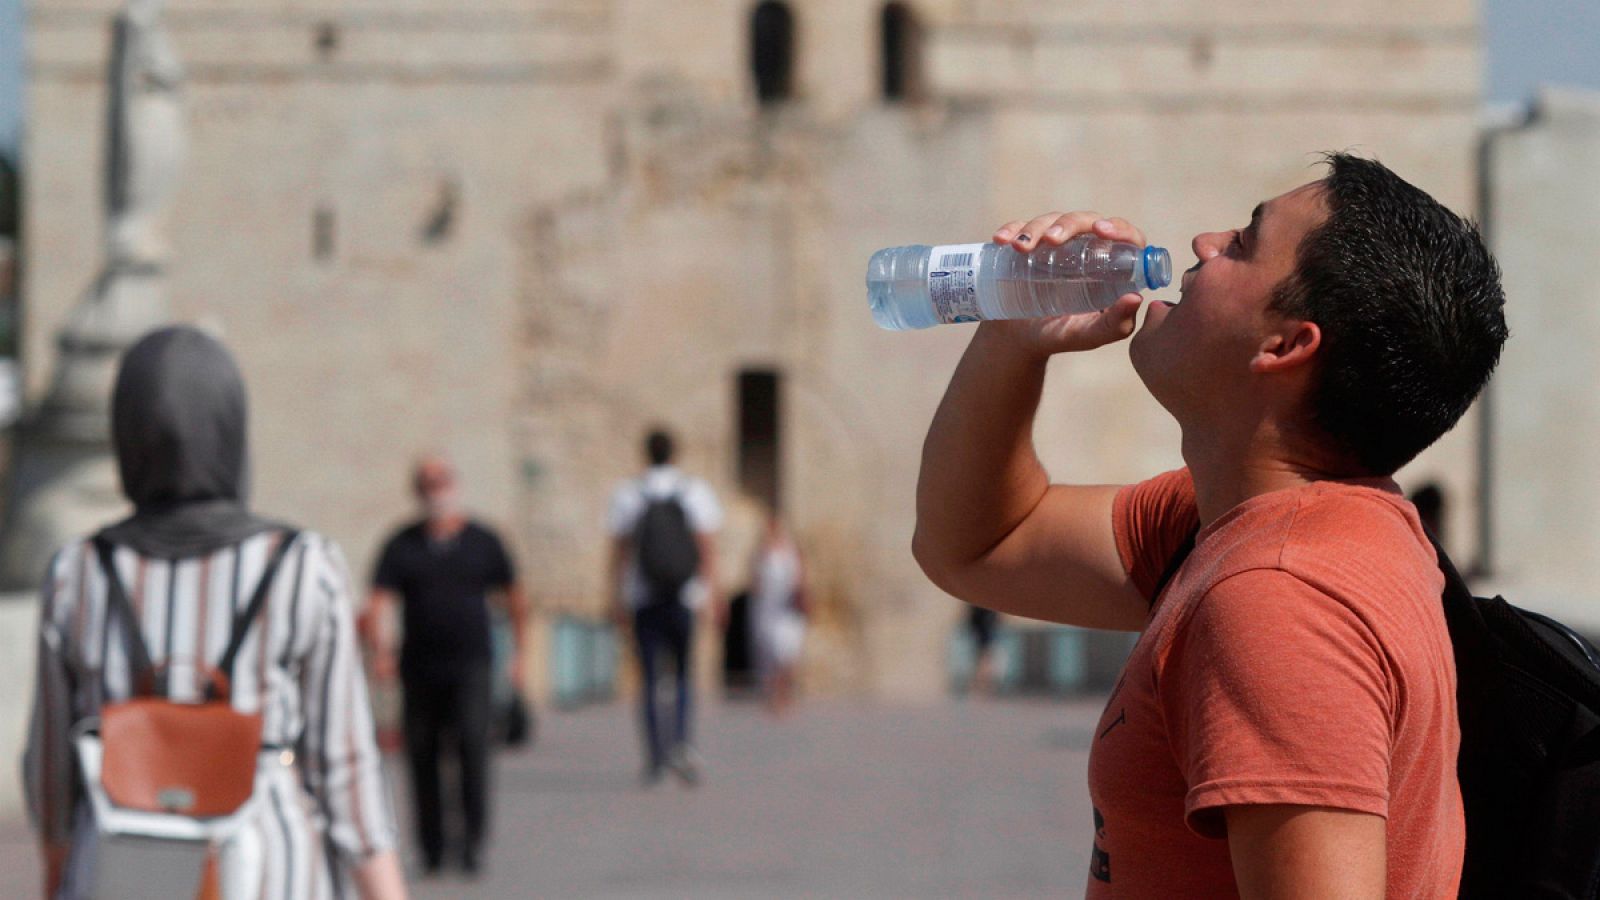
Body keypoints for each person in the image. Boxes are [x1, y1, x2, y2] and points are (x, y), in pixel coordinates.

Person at [912, 154, 1507, 897]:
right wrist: (1014, 336)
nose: (1202, 241)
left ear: (1285, 345)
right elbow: (981, 545)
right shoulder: (1241, 526)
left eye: (1244, 243)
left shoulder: (1284, 599)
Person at [23, 326, 407, 899]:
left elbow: (51, 769)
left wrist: (57, 866)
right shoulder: (302, 566)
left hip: (121, 864)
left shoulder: (78, 572)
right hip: (268, 869)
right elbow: (344, 767)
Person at [365, 457, 529, 877]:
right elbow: (379, 600)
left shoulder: (483, 540)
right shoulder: (402, 543)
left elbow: (514, 598)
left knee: (473, 749)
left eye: (441, 481)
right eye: (427, 483)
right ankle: (432, 847)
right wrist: (381, 650)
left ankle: (472, 843)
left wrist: (520, 657)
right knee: (422, 755)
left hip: (472, 664)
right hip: (419, 667)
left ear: (455, 485)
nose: (435, 490)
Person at [608, 428, 722, 786]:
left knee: (649, 678)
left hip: (643, 598)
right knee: (684, 675)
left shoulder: (628, 494)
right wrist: (713, 595)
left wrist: (614, 596)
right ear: (674, 454)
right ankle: (682, 745)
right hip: (684, 597)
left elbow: (619, 552)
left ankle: (656, 756)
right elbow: (706, 548)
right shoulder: (694, 491)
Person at [748, 508, 808, 715]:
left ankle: (785, 694)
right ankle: (775, 695)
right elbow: (754, 581)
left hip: (788, 610)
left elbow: (802, 578)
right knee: (771, 654)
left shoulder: (793, 550)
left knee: (788, 652)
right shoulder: (761, 552)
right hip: (767, 610)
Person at [964, 606, 1001, 695]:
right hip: (982, 637)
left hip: (983, 637)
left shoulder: (982, 608)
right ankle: (980, 687)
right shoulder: (981, 609)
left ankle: (982, 687)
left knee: (982, 662)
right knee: (982, 662)